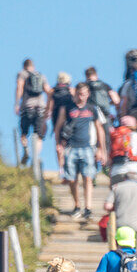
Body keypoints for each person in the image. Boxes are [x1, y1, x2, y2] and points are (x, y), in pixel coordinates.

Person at [55, 81, 106, 221]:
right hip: (71, 147)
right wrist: (58, 144)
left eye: (84, 94)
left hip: (87, 147)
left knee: (88, 177)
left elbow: (99, 129)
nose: (81, 97)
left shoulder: (92, 108)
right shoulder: (67, 108)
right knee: (72, 179)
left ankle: (88, 207)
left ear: (88, 94)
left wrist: (101, 149)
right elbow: (58, 127)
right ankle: (77, 205)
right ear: (75, 93)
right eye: (79, 94)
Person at [104, 173, 137, 253]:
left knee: (118, 254)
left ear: (124, 178)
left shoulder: (117, 187)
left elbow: (107, 206)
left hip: (120, 225)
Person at [15, 59, 51, 166]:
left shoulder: (22, 74)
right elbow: (48, 91)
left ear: (24, 66)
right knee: (39, 135)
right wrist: (48, 108)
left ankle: (26, 149)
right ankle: (35, 156)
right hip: (40, 108)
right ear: (33, 66)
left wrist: (17, 103)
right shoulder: (41, 76)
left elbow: (19, 88)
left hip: (27, 107)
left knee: (24, 133)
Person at [85, 66, 119, 152]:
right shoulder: (105, 85)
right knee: (107, 139)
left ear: (86, 75)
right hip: (105, 115)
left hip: (91, 116)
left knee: (93, 140)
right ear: (96, 74)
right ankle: (107, 162)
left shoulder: (85, 86)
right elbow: (116, 100)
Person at [108, 115, 137, 184]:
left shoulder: (115, 136)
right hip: (135, 170)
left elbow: (110, 156)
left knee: (119, 194)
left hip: (117, 171)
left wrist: (110, 174)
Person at [48, 73, 75, 177]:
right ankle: (69, 165)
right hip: (69, 117)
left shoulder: (53, 90)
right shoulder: (71, 90)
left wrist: (47, 116)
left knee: (58, 143)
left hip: (56, 118)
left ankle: (61, 168)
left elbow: (49, 108)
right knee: (67, 142)